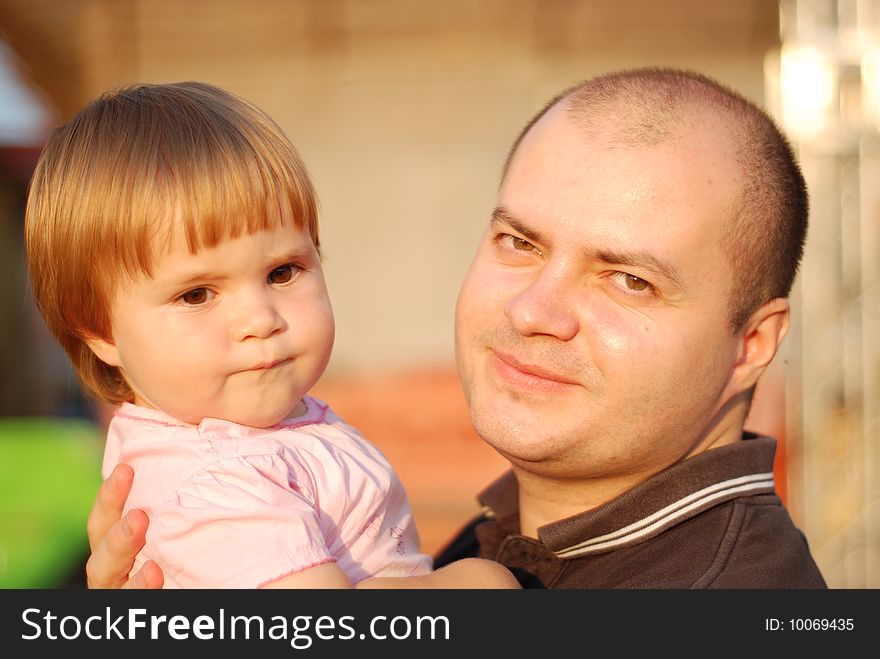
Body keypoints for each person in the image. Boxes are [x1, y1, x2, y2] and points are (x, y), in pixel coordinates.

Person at [83, 68, 826, 588]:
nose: (535, 310)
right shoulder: (507, 539)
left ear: (750, 346)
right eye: (519, 243)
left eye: (630, 280)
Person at [25, 81, 518, 590]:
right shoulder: (211, 484)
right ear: (99, 329)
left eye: (282, 273)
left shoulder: (259, 432)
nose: (261, 319)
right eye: (196, 294)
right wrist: (475, 584)